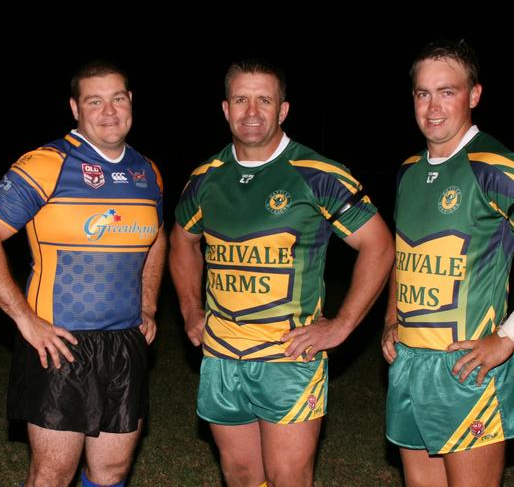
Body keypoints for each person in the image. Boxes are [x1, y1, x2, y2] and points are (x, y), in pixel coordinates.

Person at [169, 58, 394, 487]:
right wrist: (189, 309)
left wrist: (341, 325)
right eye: (241, 99)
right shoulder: (205, 178)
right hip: (221, 357)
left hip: (288, 359)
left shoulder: (317, 174)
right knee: (239, 474)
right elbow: (182, 240)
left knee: (288, 476)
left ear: (283, 110)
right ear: (225, 108)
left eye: (264, 100)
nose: (251, 111)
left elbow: (379, 245)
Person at [0, 60, 166, 487]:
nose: (108, 111)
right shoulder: (48, 163)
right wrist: (25, 319)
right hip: (60, 345)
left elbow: (158, 237)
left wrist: (148, 304)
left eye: (117, 98)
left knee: (112, 470)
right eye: (95, 101)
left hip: (124, 345)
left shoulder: (146, 171)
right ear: (75, 107)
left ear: (131, 102)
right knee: (53, 473)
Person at [381, 39, 514, 487]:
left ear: (474, 95)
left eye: (447, 91)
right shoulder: (408, 171)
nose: (433, 107)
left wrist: (507, 339)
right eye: (423, 93)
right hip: (410, 363)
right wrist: (392, 320)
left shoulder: (496, 165)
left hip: (467, 368)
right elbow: (404, 254)